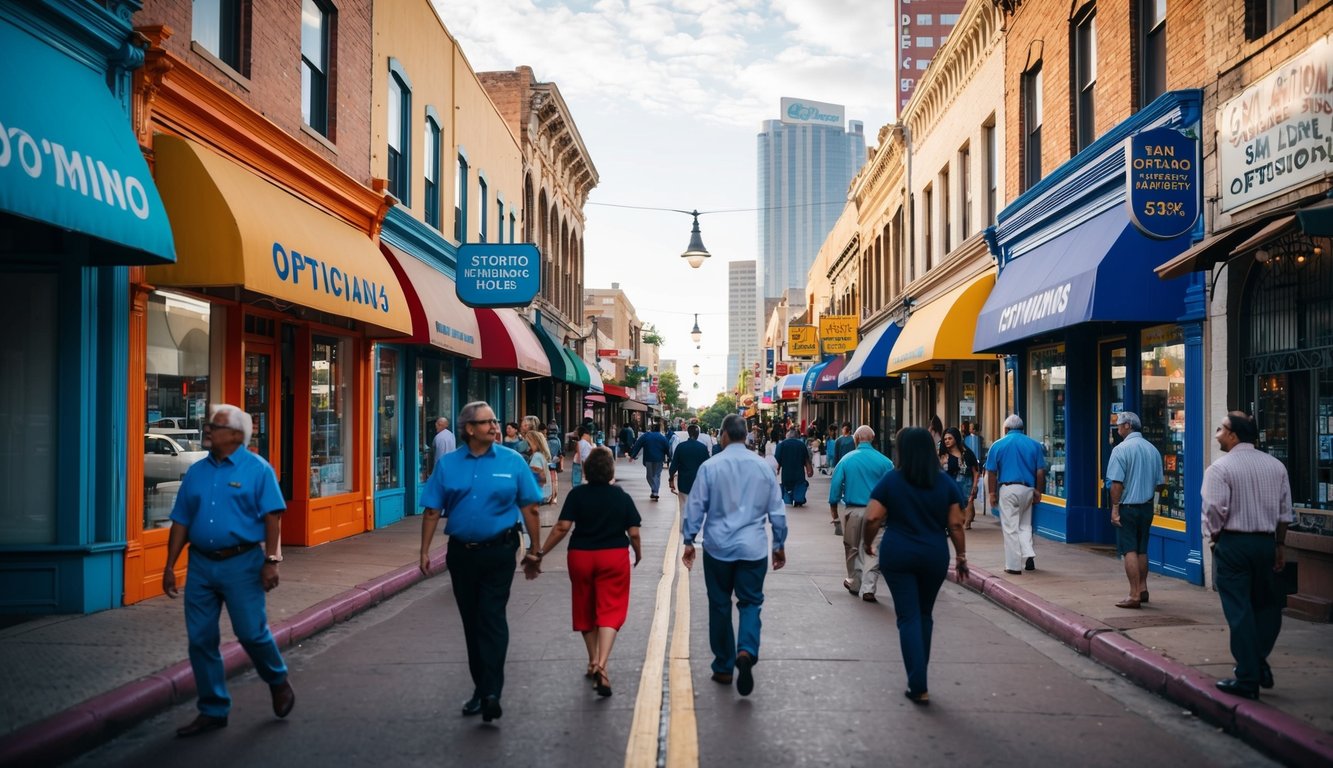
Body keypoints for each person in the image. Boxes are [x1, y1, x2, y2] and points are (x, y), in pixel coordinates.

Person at [162, 404, 295, 737]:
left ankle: (277, 679)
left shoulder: (258, 470)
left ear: (236, 435)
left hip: (243, 563)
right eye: (209, 425)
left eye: (215, 426)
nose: (208, 429)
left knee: (251, 633)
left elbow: (273, 518)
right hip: (201, 565)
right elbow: (180, 519)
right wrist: (169, 565)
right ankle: (213, 709)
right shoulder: (196, 471)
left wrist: (272, 561)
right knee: (201, 640)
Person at [418, 400, 544, 723]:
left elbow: (531, 507)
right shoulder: (448, 465)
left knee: (491, 616)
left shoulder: (513, 461)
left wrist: (535, 550)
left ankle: (491, 692)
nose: (495, 426)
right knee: (472, 622)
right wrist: (424, 551)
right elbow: (432, 510)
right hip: (461, 554)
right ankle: (481, 688)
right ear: (469, 429)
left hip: (500, 551)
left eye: (495, 421)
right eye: (487, 422)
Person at [681, 414, 787, 697]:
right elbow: (777, 510)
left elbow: (696, 507)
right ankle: (746, 650)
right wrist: (779, 543)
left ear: (725, 435)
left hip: (718, 548)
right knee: (751, 602)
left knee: (719, 605)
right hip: (753, 549)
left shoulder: (710, 466)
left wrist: (689, 539)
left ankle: (724, 666)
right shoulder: (763, 467)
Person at [863, 427, 969, 704]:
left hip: (898, 553)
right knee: (924, 614)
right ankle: (919, 676)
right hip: (934, 554)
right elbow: (956, 524)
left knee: (907, 616)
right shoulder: (945, 483)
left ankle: (917, 681)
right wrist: (961, 556)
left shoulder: (892, 481)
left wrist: (867, 543)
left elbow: (873, 517)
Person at [1201, 411, 1294, 700]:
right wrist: (1280, 546)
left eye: (1220, 428)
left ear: (1232, 434)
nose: (1217, 433)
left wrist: (1215, 539)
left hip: (1234, 544)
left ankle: (1248, 677)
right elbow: (1284, 513)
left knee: (1239, 610)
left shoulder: (1220, 469)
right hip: (1265, 543)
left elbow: (1215, 511)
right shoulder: (1276, 466)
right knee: (1267, 608)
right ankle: (1258, 661)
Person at [537, 447, 642, 697]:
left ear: (586, 470)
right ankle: (601, 665)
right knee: (610, 608)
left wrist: (541, 552)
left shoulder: (577, 494)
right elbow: (634, 533)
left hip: (581, 556)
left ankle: (591, 659)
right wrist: (638, 553)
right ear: (611, 471)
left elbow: (562, 527)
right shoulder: (621, 497)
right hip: (613, 557)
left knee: (585, 606)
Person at [1105, 412, 1165, 609]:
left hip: (1128, 507)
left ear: (1128, 425)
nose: (1118, 429)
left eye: (1120, 425)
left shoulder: (1120, 450)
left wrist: (1115, 509)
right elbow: (1159, 484)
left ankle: (1133, 594)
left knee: (1129, 549)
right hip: (1146, 507)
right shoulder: (1153, 450)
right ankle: (1143, 588)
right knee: (1142, 549)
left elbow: (1116, 484)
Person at [829, 426, 895, 602]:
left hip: (854, 510)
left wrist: (834, 510)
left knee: (852, 547)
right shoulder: (886, 462)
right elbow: (893, 489)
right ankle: (869, 587)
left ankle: (855, 582)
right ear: (873, 439)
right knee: (873, 549)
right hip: (879, 512)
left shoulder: (846, 460)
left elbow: (835, 487)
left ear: (856, 439)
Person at [986, 414, 1046, 574]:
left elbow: (991, 471)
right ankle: (1028, 554)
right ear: (1022, 428)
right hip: (1028, 488)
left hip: (1008, 488)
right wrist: (1038, 491)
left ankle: (1013, 566)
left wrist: (992, 493)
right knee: (1025, 525)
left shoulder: (998, 445)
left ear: (1006, 429)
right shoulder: (1034, 445)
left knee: (1010, 528)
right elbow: (1040, 472)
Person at [939, 427, 981, 529]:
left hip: (966, 484)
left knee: (967, 506)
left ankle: (967, 523)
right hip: (949, 485)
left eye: (950, 438)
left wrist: (975, 486)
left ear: (956, 439)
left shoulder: (967, 453)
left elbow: (975, 471)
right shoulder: (943, 455)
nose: (947, 441)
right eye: (945, 439)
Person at [629, 421, 671, 501]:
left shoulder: (646, 436)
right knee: (657, 475)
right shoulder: (662, 437)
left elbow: (638, 444)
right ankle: (655, 491)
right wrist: (669, 457)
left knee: (649, 476)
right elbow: (667, 447)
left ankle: (654, 491)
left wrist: (633, 455)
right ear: (659, 429)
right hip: (659, 459)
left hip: (648, 458)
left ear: (651, 429)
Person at [668, 424, 712, 497]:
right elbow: (707, 467)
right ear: (698, 434)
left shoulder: (680, 447)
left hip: (684, 485)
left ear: (688, 433)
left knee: (684, 507)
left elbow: (673, 466)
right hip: (699, 485)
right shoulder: (703, 448)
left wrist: (671, 480)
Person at [773, 428, 813, 506]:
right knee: (800, 492)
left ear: (787, 436)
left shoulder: (781, 445)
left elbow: (777, 462)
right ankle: (799, 499)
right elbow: (807, 460)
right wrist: (809, 471)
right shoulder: (801, 445)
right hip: (799, 477)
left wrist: (776, 471)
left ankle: (789, 499)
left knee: (787, 496)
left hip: (786, 477)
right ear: (797, 436)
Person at [524, 430, 555, 505]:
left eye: (528, 443)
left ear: (534, 443)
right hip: (545, 494)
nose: (526, 446)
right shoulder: (539, 455)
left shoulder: (536, 457)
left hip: (540, 495)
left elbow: (539, 478)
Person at [546, 421, 564, 505]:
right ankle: (554, 497)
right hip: (555, 462)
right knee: (554, 480)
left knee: (549, 480)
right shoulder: (558, 440)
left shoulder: (546, 440)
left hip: (547, 462)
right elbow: (560, 452)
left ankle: (549, 496)